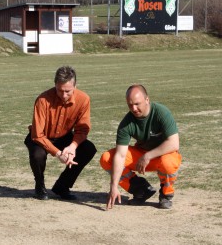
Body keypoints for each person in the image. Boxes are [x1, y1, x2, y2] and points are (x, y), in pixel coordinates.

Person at [100, 84, 182, 209]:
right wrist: (113, 186)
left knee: (168, 162)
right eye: (130, 104)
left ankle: (166, 195)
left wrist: (148, 156)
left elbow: (174, 143)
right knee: (107, 158)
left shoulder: (161, 112)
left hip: (161, 156)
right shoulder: (126, 123)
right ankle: (141, 190)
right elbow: (121, 155)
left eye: (137, 104)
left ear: (147, 100)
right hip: (141, 157)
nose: (134, 108)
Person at [24, 65, 97, 200]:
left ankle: (62, 186)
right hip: (41, 137)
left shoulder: (84, 99)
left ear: (75, 86)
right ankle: (39, 186)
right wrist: (58, 154)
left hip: (64, 136)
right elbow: (37, 134)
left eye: (68, 91)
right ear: (55, 85)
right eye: (59, 90)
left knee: (88, 149)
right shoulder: (42, 100)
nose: (63, 95)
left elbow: (82, 129)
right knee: (37, 155)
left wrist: (73, 146)